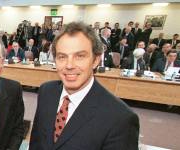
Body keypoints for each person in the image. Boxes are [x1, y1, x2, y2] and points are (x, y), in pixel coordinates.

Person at [29, 22, 139, 150]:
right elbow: (37, 140)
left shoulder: (121, 118)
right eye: (62, 57)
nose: (69, 65)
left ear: (96, 60)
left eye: (80, 56)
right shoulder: (46, 91)